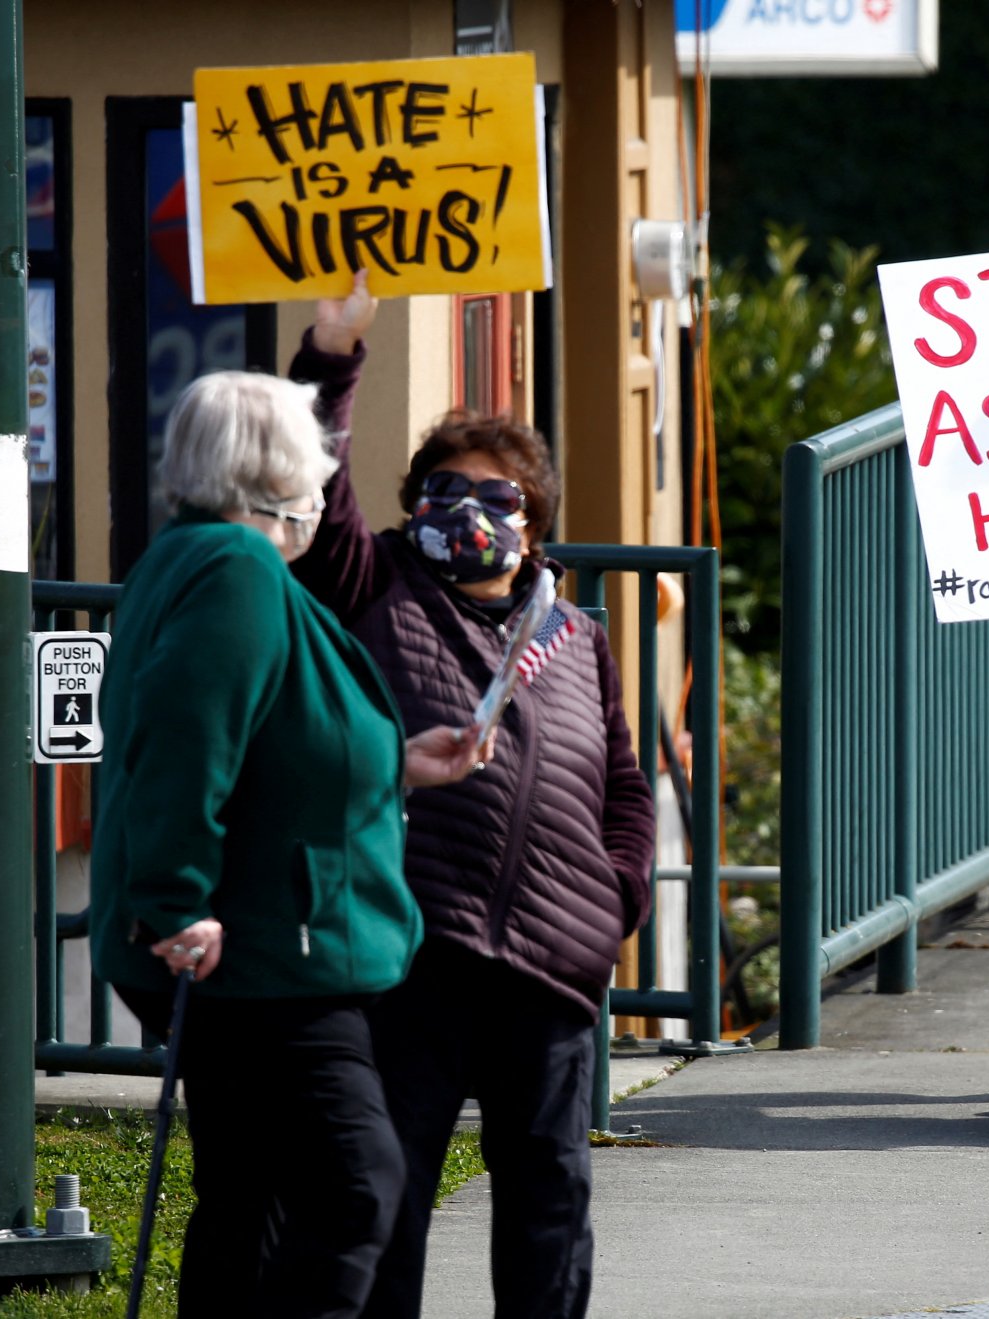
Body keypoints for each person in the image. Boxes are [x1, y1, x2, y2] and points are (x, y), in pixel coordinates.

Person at [288, 272, 656, 1319]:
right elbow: (314, 480)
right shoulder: (372, 583)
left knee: (549, 1197)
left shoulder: (578, 637)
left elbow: (624, 786)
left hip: (552, 963)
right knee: (388, 1190)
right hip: (414, 952)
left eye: (496, 496)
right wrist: (332, 353)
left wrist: (618, 889)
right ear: (414, 505)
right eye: (444, 491)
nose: (468, 513)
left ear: (532, 523)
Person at [90, 371, 490, 1318]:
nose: (323, 477)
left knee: (253, 1193)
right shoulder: (235, 570)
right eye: (312, 458)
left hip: (258, 940)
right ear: (275, 471)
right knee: (356, 1183)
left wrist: (395, 760)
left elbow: (271, 736)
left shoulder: (198, 560)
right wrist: (178, 895)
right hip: (269, 950)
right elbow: (190, 737)